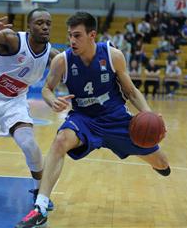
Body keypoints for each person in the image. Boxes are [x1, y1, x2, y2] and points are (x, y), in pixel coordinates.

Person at [15, 11, 170, 228]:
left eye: (77, 35)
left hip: (116, 119)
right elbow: (47, 89)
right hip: (84, 119)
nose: (72, 41)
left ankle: (145, 154)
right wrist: (52, 101)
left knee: (163, 164)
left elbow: (132, 92)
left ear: (92, 35)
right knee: (60, 141)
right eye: (70, 35)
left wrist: (149, 114)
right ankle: (40, 207)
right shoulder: (62, 61)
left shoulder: (113, 55)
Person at [0, 8, 58, 209]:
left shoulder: (52, 55)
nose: (44, 27)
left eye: (48, 23)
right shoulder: (13, 40)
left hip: (14, 101)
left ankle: (39, 192)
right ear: (29, 26)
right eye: (39, 22)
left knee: (29, 144)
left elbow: (71, 66)